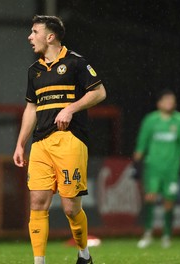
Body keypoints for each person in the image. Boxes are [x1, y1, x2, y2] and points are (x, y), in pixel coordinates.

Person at [13, 15, 106, 264]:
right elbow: (31, 109)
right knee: (37, 202)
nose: (30, 37)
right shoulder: (34, 71)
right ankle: (39, 261)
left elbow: (99, 92)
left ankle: (84, 254)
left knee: (70, 208)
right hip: (41, 144)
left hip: (70, 139)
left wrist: (71, 108)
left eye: (34, 32)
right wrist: (21, 143)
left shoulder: (76, 63)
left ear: (50, 36)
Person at [132, 89, 180, 249]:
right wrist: (136, 164)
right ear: (159, 103)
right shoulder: (150, 120)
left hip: (172, 168)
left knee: (169, 202)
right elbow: (142, 142)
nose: (169, 103)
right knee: (150, 198)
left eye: (172, 100)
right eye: (166, 100)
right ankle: (148, 233)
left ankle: (167, 235)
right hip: (153, 166)